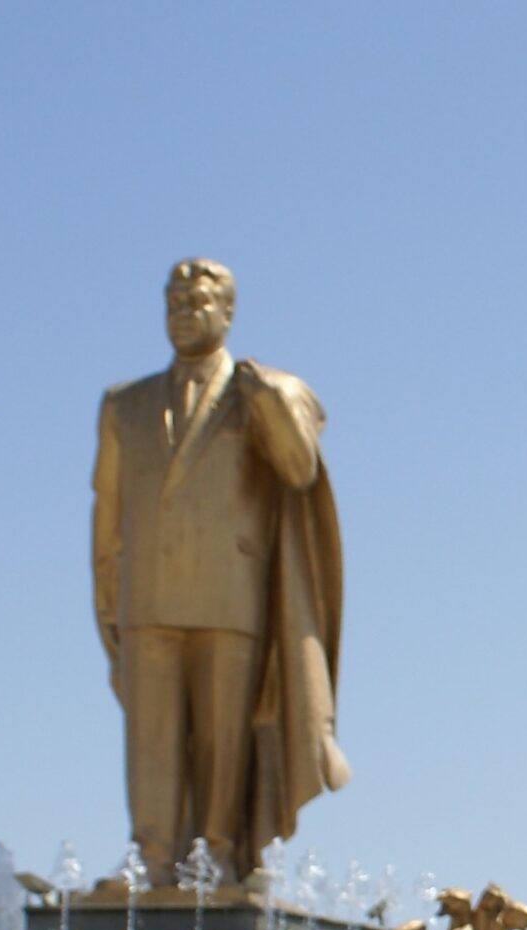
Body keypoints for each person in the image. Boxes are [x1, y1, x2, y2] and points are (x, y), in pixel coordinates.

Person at [89, 257, 348, 888]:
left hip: (232, 597)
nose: (183, 314)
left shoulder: (257, 393)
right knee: (150, 741)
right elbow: (108, 511)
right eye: (174, 303)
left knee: (222, 738)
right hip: (148, 596)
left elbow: (300, 469)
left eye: (198, 303)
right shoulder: (125, 404)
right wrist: (108, 600)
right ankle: (151, 857)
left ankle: (220, 853)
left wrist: (269, 401)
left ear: (228, 313)